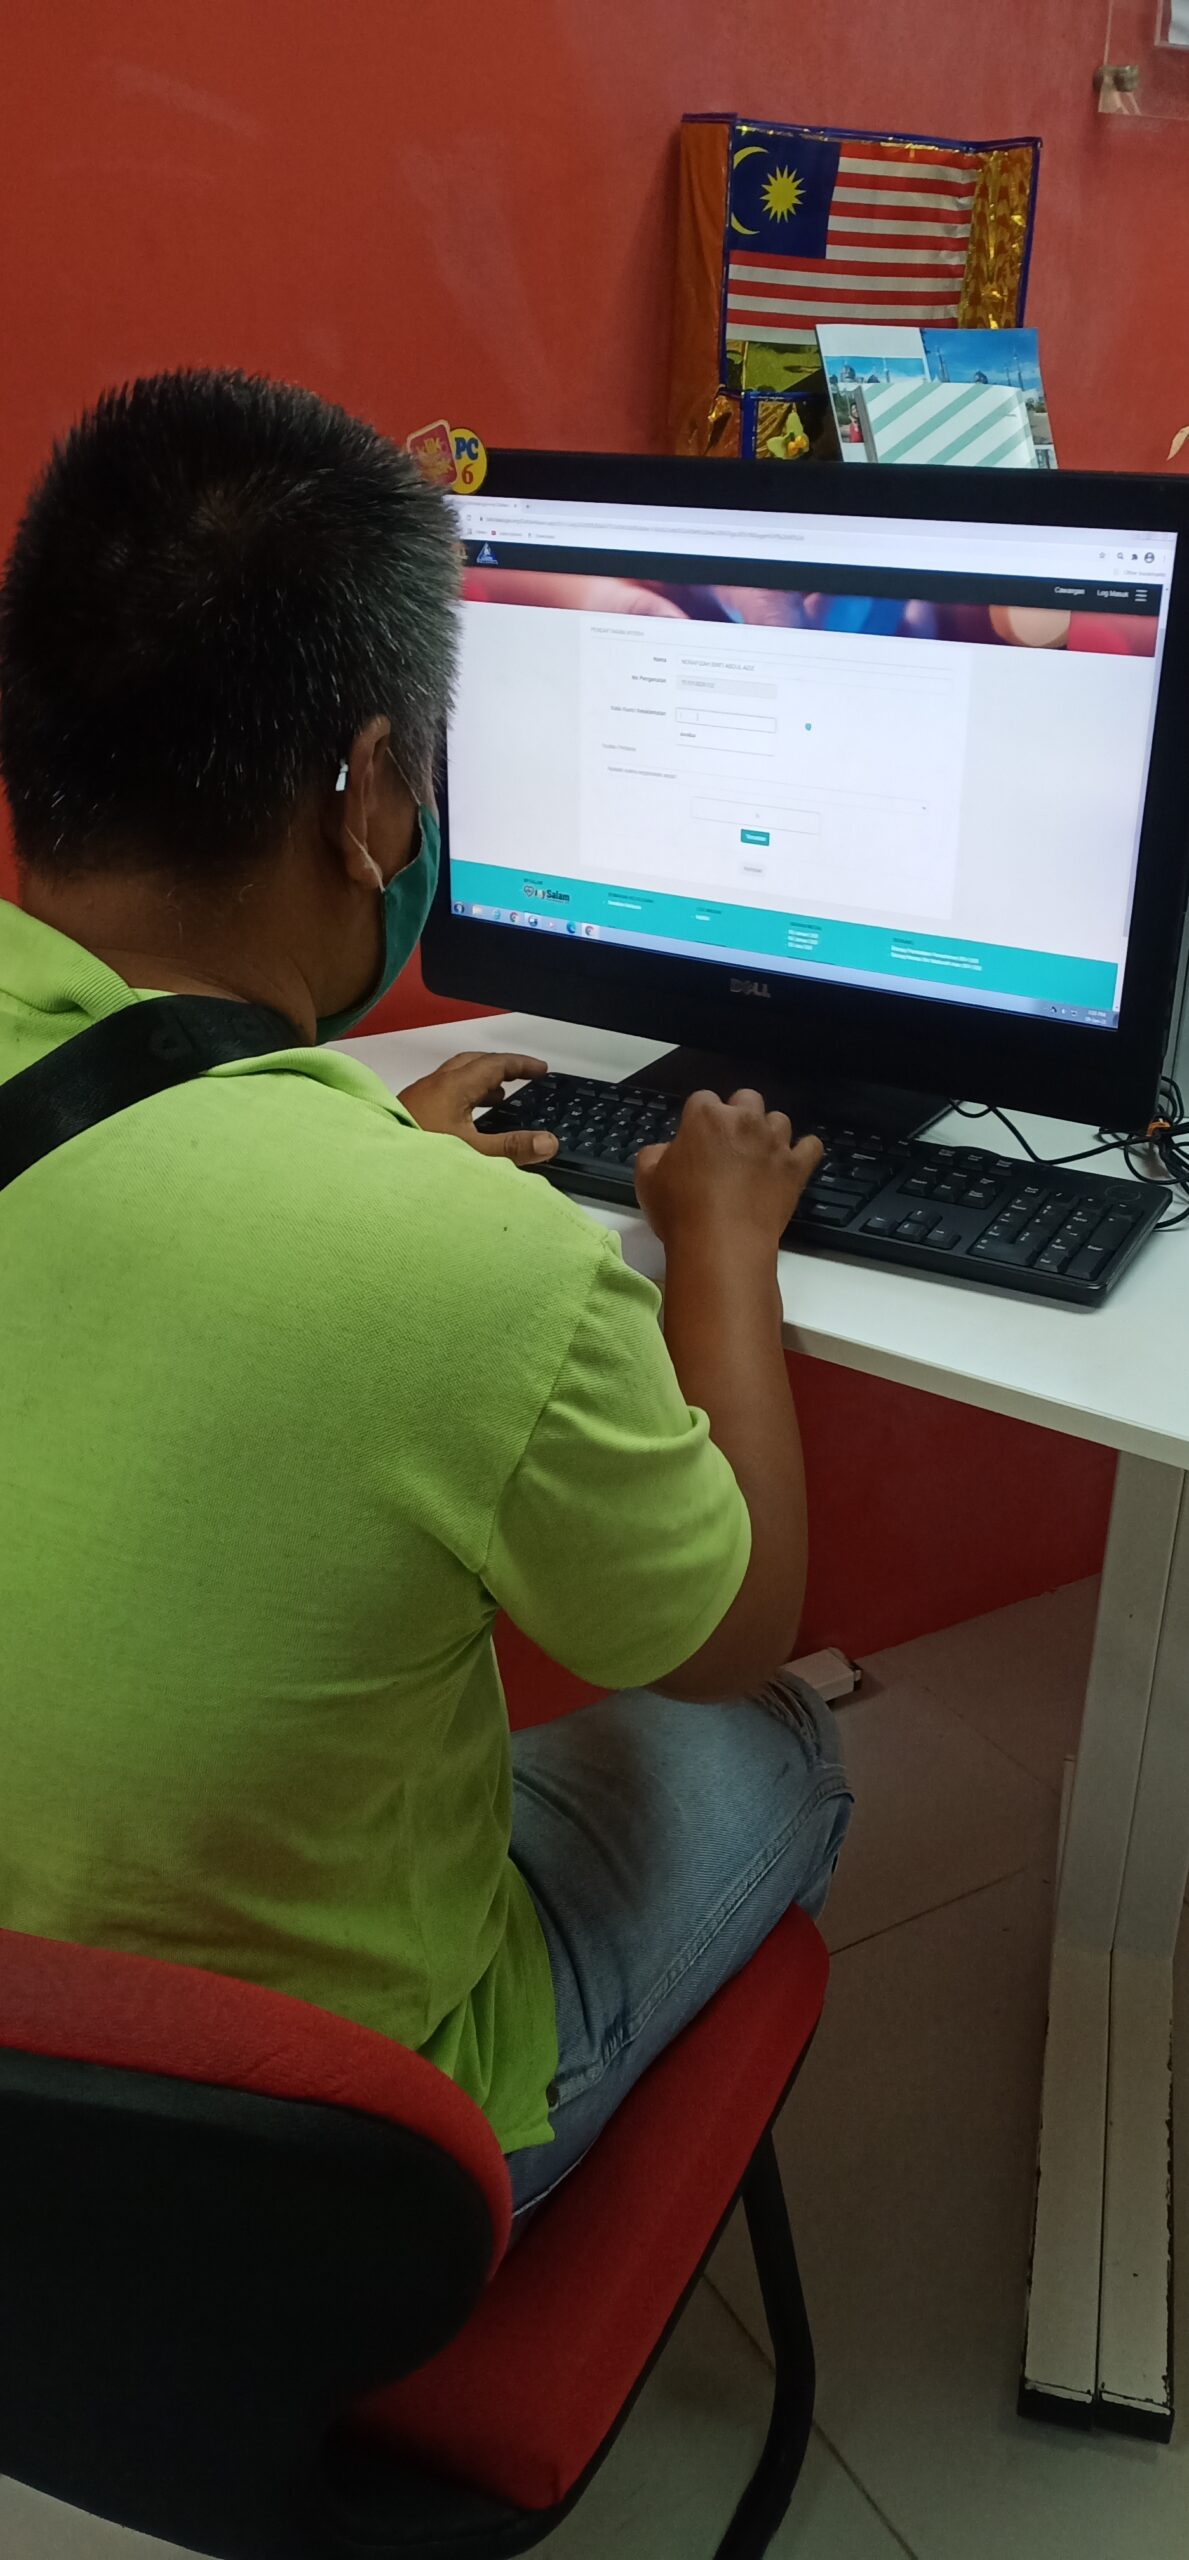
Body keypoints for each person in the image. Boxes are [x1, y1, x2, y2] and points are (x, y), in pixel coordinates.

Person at [0, 371, 851, 2216]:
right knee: (777, 1734)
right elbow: (731, 1632)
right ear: (370, 791)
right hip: (335, 2174)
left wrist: (362, 1190)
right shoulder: (474, 1261)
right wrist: (716, 1247)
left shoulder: (389, 1215)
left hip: (32, 2107)